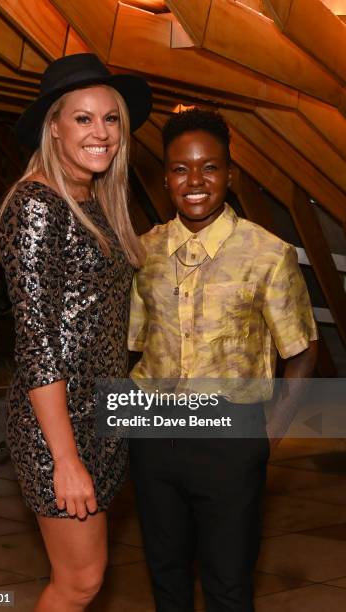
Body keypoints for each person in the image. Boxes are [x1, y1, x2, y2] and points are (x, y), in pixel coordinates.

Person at [128, 108, 318, 612]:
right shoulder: (142, 253)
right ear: (165, 176)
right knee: (166, 579)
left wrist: (265, 435)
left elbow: (301, 351)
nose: (194, 181)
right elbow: (133, 347)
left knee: (228, 585)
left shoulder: (267, 254)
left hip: (230, 441)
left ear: (230, 176)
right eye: (180, 168)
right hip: (153, 438)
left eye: (209, 167)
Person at [0, 53, 151, 612]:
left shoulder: (94, 199)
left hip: (99, 412)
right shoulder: (37, 204)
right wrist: (65, 458)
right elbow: (38, 346)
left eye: (110, 119)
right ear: (53, 125)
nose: (100, 132)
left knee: (89, 576)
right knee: (79, 582)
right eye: (83, 118)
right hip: (56, 425)